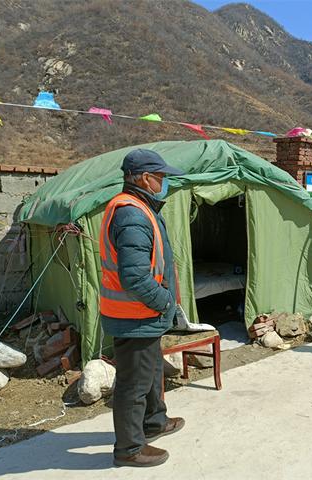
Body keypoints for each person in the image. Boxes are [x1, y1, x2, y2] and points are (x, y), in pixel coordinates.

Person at [99, 149, 185, 467]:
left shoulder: (140, 207)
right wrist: (165, 302)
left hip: (142, 314)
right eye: (160, 177)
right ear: (145, 178)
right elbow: (134, 276)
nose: (163, 183)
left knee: (149, 374)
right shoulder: (132, 213)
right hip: (133, 315)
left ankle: (154, 422)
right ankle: (129, 448)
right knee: (133, 383)